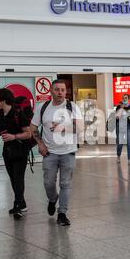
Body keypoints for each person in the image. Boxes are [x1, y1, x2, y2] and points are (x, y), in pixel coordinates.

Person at [31, 80, 84, 226]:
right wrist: (40, 144)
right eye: (57, 89)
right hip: (49, 152)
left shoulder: (72, 107)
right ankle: (53, 199)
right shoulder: (43, 107)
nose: (60, 92)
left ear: (65, 91)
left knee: (65, 183)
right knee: (48, 182)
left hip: (68, 151)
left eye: (62, 90)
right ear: (51, 91)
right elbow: (33, 127)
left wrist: (63, 127)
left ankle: (62, 213)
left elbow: (80, 127)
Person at [0, 88, 31, 220]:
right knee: (13, 179)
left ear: (3, 101)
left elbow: (28, 133)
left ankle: (18, 205)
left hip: (20, 151)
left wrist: (14, 136)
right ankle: (22, 203)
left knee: (18, 178)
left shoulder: (18, 114)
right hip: (7, 152)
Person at [115, 94, 130, 166]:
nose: (124, 99)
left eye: (126, 98)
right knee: (120, 144)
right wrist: (122, 107)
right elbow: (117, 117)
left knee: (129, 143)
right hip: (120, 127)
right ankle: (118, 156)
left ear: (128, 99)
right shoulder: (119, 107)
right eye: (123, 98)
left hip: (128, 127)